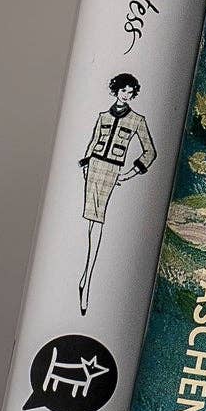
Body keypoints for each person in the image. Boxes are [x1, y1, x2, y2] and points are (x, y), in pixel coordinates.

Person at [76, 72, 157, 314]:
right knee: (93, 222)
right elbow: (93, 143)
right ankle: (85, 280)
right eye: (123, 91)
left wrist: (130, 173)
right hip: (94, 169)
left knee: (97, 221)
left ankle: (87, 282)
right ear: (116, 90)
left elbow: (150, 152)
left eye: (131, 93)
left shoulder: (137, 120)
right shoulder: (103, 116)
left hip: (112, 171)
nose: (126, 95)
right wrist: (86, 165)